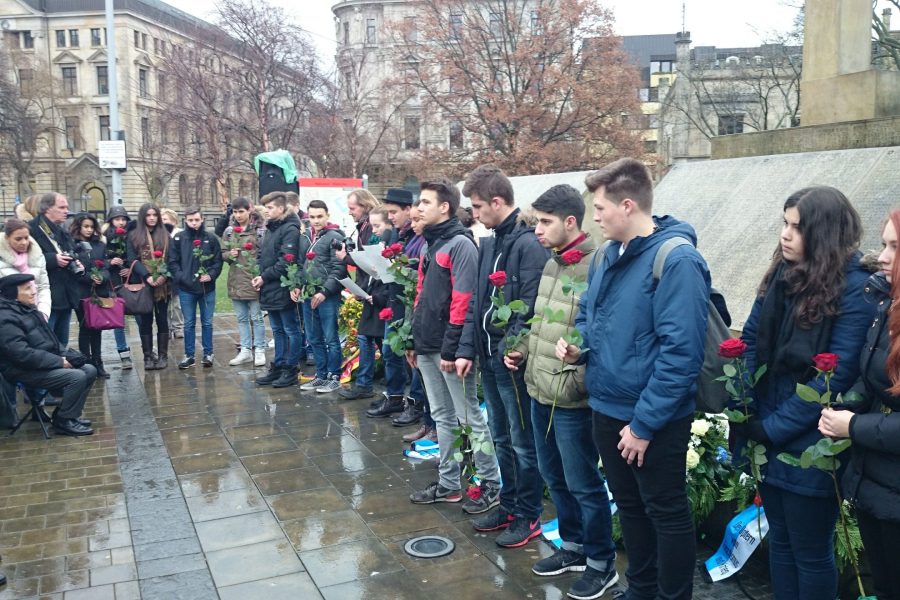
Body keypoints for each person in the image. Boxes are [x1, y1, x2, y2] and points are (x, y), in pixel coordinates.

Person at [557, 158, 710, 600]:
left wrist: (643, 425)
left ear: (628, 205)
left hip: (652, 419)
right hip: (606, 405)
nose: (595, 217)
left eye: (601, 207)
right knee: (630, 508)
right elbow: (591, 311)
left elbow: (681, 355)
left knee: (666, 512)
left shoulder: (676, 260)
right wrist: (579, 345)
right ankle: (640, 589)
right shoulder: (608, 253)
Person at [734, 186, 874, 600]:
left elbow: (837, 373)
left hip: (813, 439)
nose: (786, 234)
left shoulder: (855, 288)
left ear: (825, 233)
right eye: (785, 223)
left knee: (810, 552)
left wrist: (772, 428)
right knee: (780, 542)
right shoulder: (783, 276)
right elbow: (751, 339)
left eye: (798, 227)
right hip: (769, 427)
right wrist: (745, 405)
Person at [506, 184, 619, 598]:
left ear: (571, 222)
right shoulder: (553, 263)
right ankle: (571, 546)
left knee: (583, 482)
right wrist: (520, 350)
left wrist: (577, 372)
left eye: (545, 222)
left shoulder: (597, 264)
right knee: (554, 475)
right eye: (537, 221)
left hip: (571, 395)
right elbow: (540, 319)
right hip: (539, 387)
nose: (537, 229)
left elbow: (599, 330)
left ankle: (601, 562)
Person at [463, 165, 550, 543]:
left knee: (520, 441)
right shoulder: (493, 239)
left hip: (509, 361)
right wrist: (473, 348)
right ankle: (510, 505)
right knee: (500, 436)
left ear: (498, 202)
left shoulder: (526, 243)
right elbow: (481, 301)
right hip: (490, 356)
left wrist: (506, 350)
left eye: (479, 206)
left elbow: (528, 305)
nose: (475, 214)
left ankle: (528, 514)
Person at [819, 208, 900, 600]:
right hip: (877, 483)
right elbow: (872, 381)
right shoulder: (887, 303)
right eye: (884, 244)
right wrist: (838, 403)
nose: (882, 256)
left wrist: (851, 427)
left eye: (895, 247)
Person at [407, 178, 501, 511]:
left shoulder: (460, 245)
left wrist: (455, 349)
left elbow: (465, 300)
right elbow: (422, 297)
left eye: (425, 203)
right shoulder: (432, 244)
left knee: (469, 417)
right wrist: (413, 340)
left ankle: (491, 483)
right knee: (442, 417)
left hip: (449, 349)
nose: (418, 208)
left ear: (444, 207)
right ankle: (449, 483)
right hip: (428, 345)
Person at [0, 273, 97, 436]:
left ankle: (66, 415)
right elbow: (21, 354)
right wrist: (59, 361)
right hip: (22, 370)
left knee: (89, 369)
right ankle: (64, 422)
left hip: (40, 364)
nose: (33, 292)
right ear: (13, 295)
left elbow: (50, 341)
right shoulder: (5, 318)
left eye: (33, 287)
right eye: (27, 289)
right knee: (76, 377)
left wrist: (68, 356)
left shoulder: (28, 310)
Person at [379, 192, 431, 431]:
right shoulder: (402, 236)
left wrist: (398, 268)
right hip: (398, 302)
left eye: (394, 212)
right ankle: (400, 398)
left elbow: (416, 274)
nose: (390, 218)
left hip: (411, 307)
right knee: (393, 353)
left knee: (416, 362)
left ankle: (417, 405)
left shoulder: (419, 238)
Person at [254, 192, 306, 388]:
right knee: (277, 330)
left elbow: (287, 260)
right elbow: (263, 254)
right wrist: (260, 273)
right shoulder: (271, 228)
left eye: (270, 208)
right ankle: (278, 365)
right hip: (269, 287)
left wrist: (265, 276)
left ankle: (290, 368)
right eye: (266, 208)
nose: (266, 211)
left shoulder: (290, 228)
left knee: (291, 329)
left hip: (282, 286)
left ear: (282, 208)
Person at [297, 200, 347, 394]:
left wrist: (324, 291)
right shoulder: (306, 237)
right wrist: (297, 285)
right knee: (313, 337)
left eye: (319, 216)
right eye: (312, 217)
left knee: (330, 337)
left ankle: (334, 376)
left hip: (327, 296)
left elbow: (338, 268)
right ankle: (321, 374)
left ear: (327, 216)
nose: (316, 220)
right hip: (308, 294)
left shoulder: (334, 237)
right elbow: (302, 265)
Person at [338, 190, 381, 401]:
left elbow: (372, 262)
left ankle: (369, 384)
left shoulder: (370, 228)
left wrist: (346, 257)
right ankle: (367, 383)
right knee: (368, 338)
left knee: (371, 339)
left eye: (353, 208)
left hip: (375, 290)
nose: (350, 212)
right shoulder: (363, 227)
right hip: (367, 288)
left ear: (364, 206)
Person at [168, 207, 223, 369]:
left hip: (207, 288)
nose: (193, 223)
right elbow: (172, 261)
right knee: (189, 323)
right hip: (186, 288)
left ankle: (208, 353)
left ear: (202, 219)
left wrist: (211, 275)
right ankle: (189, 354)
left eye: (196, 220)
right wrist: (182, 277)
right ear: (185, 220)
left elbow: (217, 261)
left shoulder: (210, 238)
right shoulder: (178, 238)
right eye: (190, 220)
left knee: (207, 322)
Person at [29, 192, 82, 346]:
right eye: (61, 207)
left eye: (67, 207)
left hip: (65, 296)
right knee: (46, 342)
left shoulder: (61, 230)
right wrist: (53, 259)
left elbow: (72, 252)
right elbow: (24, 259)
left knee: (62, 343)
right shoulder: (31, 229)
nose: (66, 210)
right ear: (47, 209)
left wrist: (78, 263)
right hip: (45, 296)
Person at [222, 197, 267, 367]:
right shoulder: (229, 231)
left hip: (253, 279)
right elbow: (222, 251)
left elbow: (264, 253)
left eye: (241, 211)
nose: (238, 215)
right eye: (235, 212)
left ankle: (260, 349)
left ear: (249, 210)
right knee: (241, 318)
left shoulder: (260, 230)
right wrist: (228, 255)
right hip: (235, 279)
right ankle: (246, 350)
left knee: (257, 317)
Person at [126, 203, 171, 370]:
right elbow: (132, 259)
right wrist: (147, 276)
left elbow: (171, 259)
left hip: (162, 286)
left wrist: (163, 276)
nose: (151, 218)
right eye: (148, 215)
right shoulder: (134, 235)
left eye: (154, 215)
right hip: (143, 284)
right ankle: (147, 357)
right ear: (142, 217)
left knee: (162, 319)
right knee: (145, 321)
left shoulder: (166, 235)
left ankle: (162, 356)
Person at [69, 213, 112, 378]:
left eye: (91, 227)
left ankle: (98, 362)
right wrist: (88, 278)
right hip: (82, 292)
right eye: (85, 226)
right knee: (85, 327)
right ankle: (86, 364)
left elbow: (106, 266)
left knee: (97, 328)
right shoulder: (73, 245)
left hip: (98, 292)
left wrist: (102, 277)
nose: (89, 230)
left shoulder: (99, 245)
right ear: (78, 227)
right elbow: (72, 270)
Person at [0, 218, 51, 320]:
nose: (24, 242)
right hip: (9, 319)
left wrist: (43, 313)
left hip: (36, 314)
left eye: (26, 238)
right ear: (7, 238)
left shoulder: (37, 256)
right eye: (18, 239)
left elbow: (43, 287)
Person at [104, 206, 133, 369]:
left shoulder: (131, 236)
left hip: (130, 281)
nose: (121, 222)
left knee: (140, 314)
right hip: (113, 283)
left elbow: (134, 256)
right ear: (111, 221)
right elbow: (99, 260)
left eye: (123, 219)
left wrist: (129, 267)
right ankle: (123, 353)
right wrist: (110, 262)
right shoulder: (105, 238)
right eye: (117, 219)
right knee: (118, 320)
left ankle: (147, 349)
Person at [161, 208, 184, 340]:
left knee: (176, 303)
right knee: (164, 302)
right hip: (164, 272)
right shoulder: (159, 234)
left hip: (177, 272)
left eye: (165, 219)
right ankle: (167, 328)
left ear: (173, 221)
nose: (162, 222)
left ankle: (178, 327)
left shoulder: (180, 234)